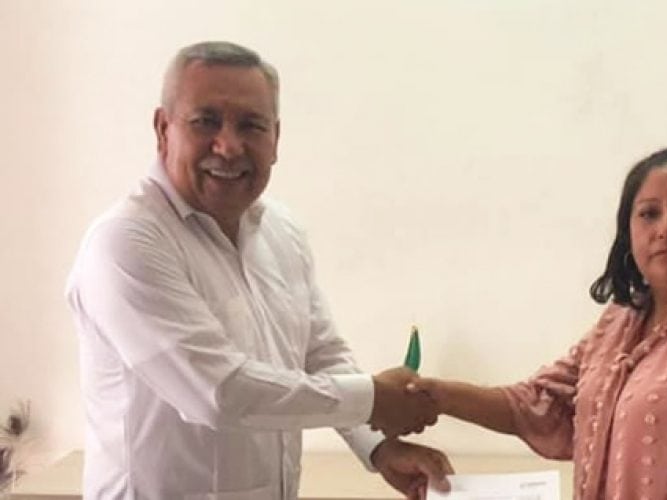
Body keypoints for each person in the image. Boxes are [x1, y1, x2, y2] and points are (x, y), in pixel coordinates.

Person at [65, 41, 452, 500]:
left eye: (251, 125)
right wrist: (373, 399)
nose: (229, 146)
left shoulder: (282, 231)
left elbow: (320, 353)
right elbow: (218, 392)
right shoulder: (125, 243)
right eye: (206, 121)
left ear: (276, 139)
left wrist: (378, 447)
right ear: (163, 129)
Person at [411, 147, 667, 499]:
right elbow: (543, 405)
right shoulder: (619, 321)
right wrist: (435, 395)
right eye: (649, 214)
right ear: (629, 236)